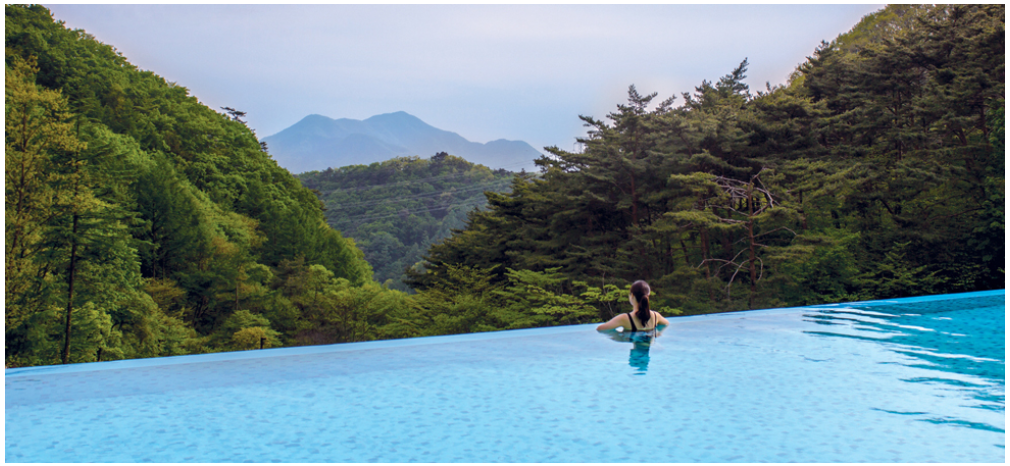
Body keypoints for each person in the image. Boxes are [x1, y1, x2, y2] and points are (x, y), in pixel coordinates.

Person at [596, 280, 670, 332]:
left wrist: (620, 338)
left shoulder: (624, 318)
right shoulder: (656, 316)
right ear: (648, 295)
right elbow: (667, 323)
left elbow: (600, 329)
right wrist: (658, 333)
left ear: (632, 295)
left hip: (635, 347)